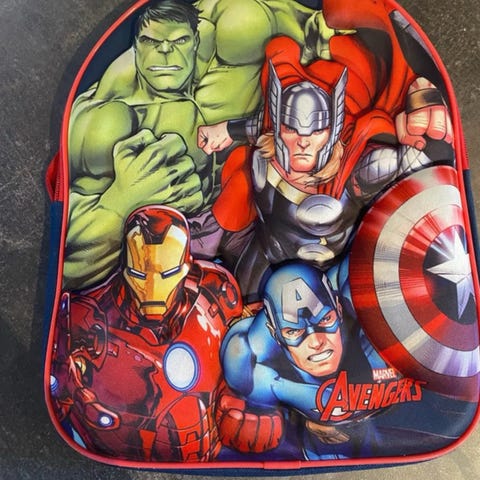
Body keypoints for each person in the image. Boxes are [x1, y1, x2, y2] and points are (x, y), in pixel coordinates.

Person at [64, 0, 329, 290]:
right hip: (174, 260)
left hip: (258, 210)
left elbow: (306, 25)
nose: (165, 52)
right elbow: (69, 263)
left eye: (179, 41)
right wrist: (121, 205)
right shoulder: (110, 120)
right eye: (151, 42)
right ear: (136, 47)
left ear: (195, 40)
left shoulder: (233, 27)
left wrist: (314, 26)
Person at [200, 33, 453, 300]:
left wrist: (423, 121)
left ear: (331, 132)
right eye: (292, 130)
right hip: (266, 263)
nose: (303, 142)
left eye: (316, 131)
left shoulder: (357, 166)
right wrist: (224, 130)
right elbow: (257, 126)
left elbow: (418, 170)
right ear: (279, 128)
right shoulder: (267, 140)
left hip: (333, 281)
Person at [49, 205, 242, 462]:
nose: (152, 287)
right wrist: (74, 387)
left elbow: (251, 344)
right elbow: (59, 390)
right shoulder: (87, 316)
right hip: (117, 446)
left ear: (186, 266)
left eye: (167, 273)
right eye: (139, 274)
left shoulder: (215, 292)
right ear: (125, 268)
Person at [218, 263, 426, 459]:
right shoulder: (250, 365)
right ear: (275, 334)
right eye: (294, 331)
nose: (316, 341)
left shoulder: (371, 335)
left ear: (339, 310)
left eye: (325, 320)